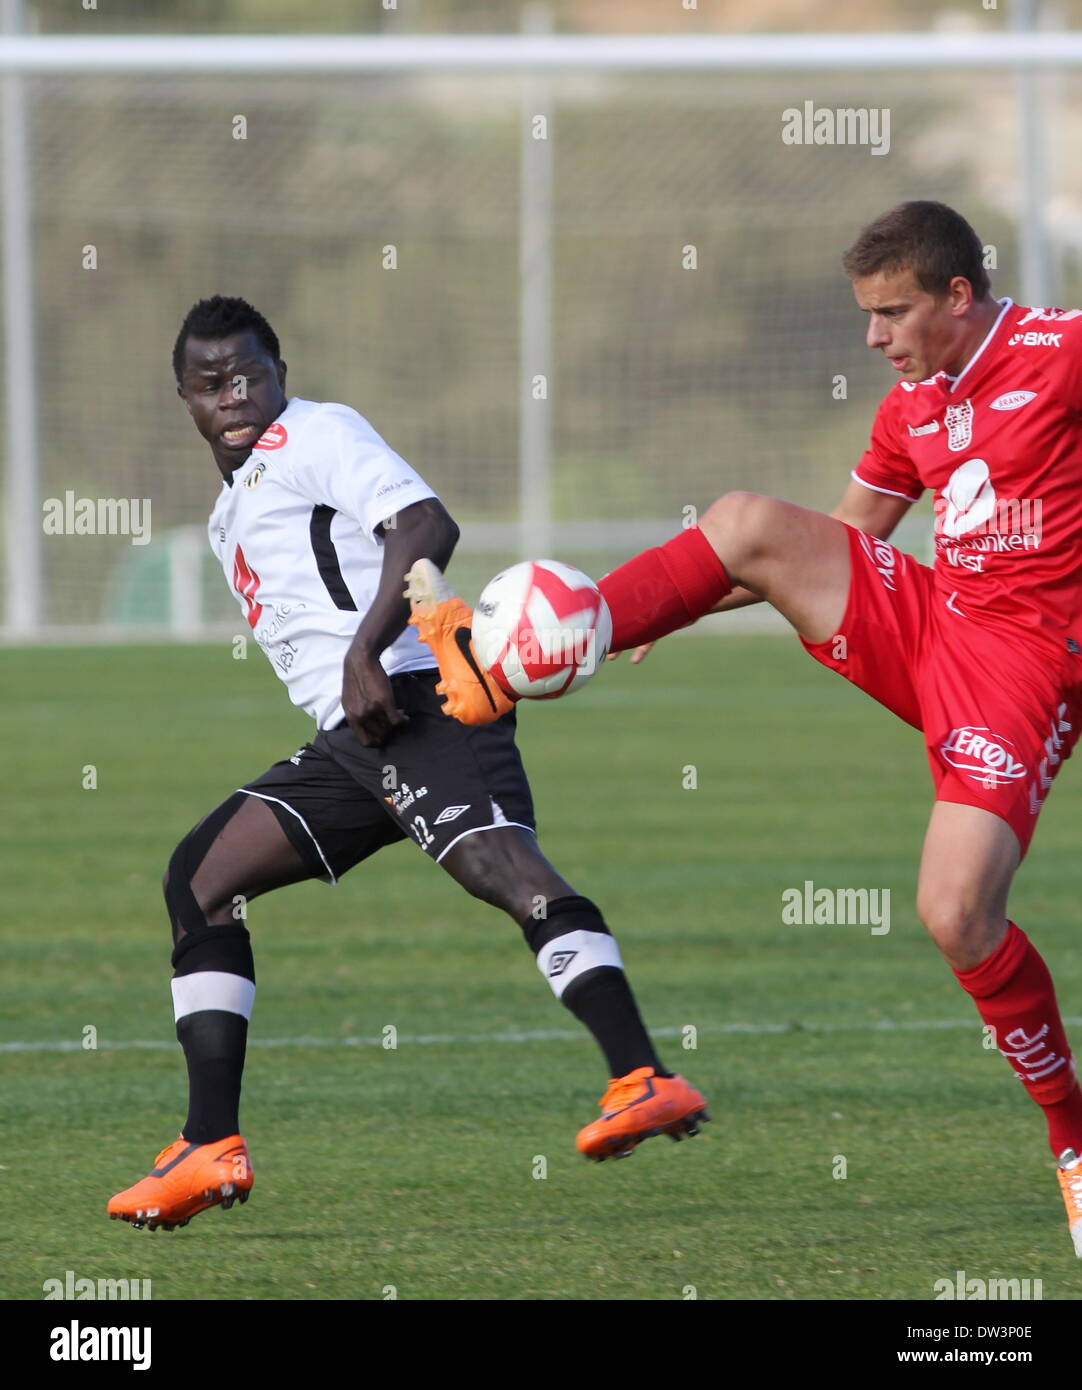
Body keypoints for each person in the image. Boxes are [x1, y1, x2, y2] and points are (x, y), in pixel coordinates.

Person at [415, 202, 1082, 1255]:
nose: (873, 338)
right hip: (933, 626)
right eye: (864, 315)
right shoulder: (910, 407)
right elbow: (837, 541)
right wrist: (670, 611)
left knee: (954, 913)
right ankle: (536, 651)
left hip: (1025, 660)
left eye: (890, 313)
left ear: (958, 295)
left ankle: (1070, 1139)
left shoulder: (1058, 351)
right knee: (741, 519)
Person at [106, 296, 706, 1233]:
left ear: (281, 375)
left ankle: (644, 1076)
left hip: (415, 698)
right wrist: (351, 679)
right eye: (211, 383)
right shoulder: (230, 516)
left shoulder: (313, 434)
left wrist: (365, 652)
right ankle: (208, 1148)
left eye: (250, 376)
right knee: (202, 877)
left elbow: (425, 524)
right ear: (182, 397)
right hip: (353, 741)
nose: (235, 396)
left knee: (501, 868)